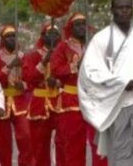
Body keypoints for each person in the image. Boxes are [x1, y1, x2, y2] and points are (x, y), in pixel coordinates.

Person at [78, 0, 133, 166]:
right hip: (116, 102)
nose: (124, 11)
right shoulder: (101, 39)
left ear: (132, 10)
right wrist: (120, 83)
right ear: (112, 10)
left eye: (128, 7)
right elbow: (91, 72)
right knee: (120, 150)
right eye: (120, 8)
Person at [51, 13, 106, 166]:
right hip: (72, 101)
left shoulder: (95, 46)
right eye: (78, 24)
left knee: (100, 145)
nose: (82, 27)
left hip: (95, 101)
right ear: (71, 28)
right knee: (74, 146)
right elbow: (56, 70)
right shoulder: (63, 47)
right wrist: (76, 65)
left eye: (84, 24)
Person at [0, 25, 33, 166]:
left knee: (26, 136)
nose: (12, 38)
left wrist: (24, 85)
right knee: (3, 142)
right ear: (2, 39)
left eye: (14, 35)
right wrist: (9, 66)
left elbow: (31, 79)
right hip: (2, 101)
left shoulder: (23, 56)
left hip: (20, 101)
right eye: (8, 36)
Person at [23, 23, 61, 166]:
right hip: (40, 104)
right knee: (39, 145)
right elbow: (29, 78)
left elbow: (70, 77)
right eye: (49, 33)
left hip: (59, 103)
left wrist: (57, 82)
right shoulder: (33, 56)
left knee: (61, 143)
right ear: (43, 36)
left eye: (55, 34)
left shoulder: (63, 55)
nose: (53, 36)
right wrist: (45, 60)